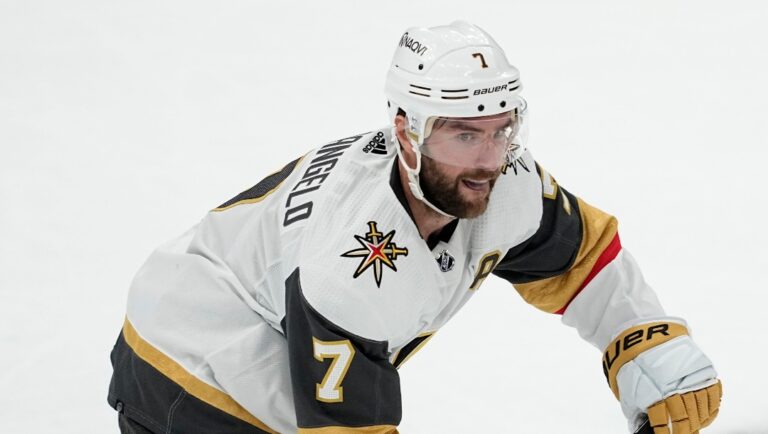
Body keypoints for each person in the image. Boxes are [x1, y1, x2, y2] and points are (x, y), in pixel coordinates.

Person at [108, 21, 722, 434]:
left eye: (501, 130)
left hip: (269, 311)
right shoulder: (347, 272)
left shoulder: (506, 181)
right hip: (192, 357)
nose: (489, 160)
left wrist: (640, 335)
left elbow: (582, 261)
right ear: (406, 131)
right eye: (464, 135)